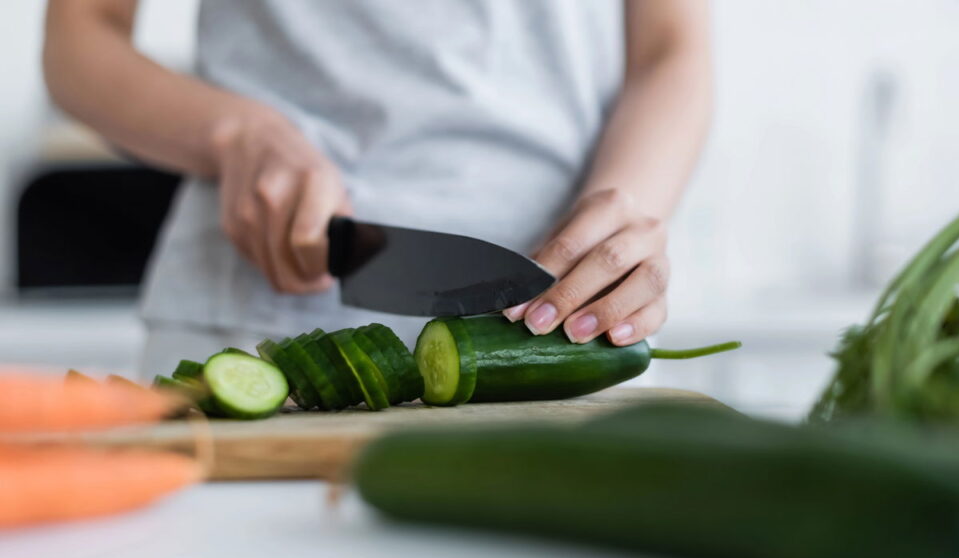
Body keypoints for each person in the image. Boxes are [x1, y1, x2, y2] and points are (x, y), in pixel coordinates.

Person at [43, 0, 711, 379]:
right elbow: (79, 40)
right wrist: (238, 134)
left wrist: (622, 224)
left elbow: (669, 48)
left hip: (558, 333)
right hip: (253, 323)